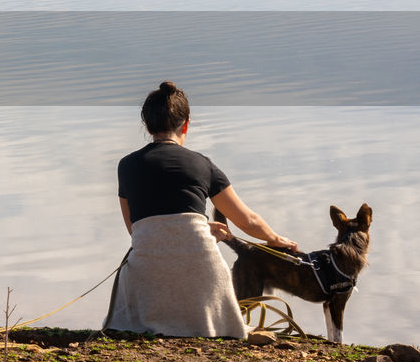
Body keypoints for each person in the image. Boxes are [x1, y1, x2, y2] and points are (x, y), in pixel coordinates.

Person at [104, 81, 298, 338]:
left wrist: (197, 227)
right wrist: (275, 239)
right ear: (186, 124)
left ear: (148, 126)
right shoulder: (202, 164)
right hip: (204, 282)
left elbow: (138, 230)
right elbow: (247, 220)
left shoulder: (126, 166)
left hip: (147, 284)